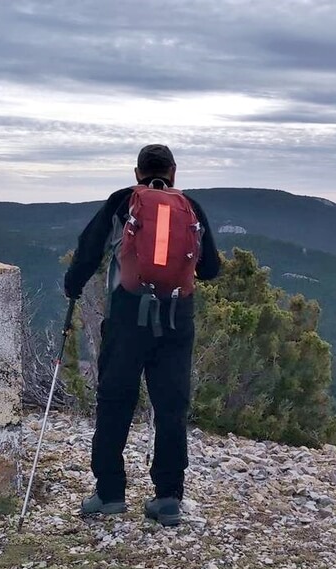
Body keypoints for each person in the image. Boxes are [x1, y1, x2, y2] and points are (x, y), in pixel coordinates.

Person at [63, 144, 221, 527]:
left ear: (137, 173)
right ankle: (168, 497)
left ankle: (109, 493)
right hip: (176, 317)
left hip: (127, 316)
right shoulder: (190, 207)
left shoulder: (122, 202)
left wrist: (73, 285)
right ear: (174, 172)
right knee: (171, 407)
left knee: (115, 400)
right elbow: (211, 269)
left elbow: (88, 251)